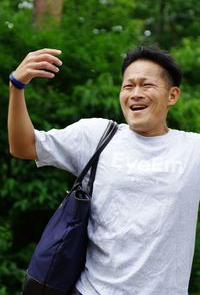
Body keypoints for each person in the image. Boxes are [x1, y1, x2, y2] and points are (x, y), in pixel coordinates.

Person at [8, 46, 200, 295]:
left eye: (147, 85)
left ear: (172, 95)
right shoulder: (97, 136)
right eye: (128, 86)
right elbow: (24, 146)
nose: (135, 93)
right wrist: (17, 87)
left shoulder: (193, 149)